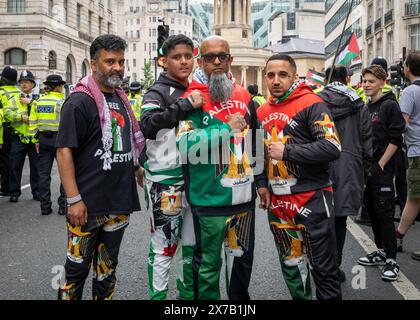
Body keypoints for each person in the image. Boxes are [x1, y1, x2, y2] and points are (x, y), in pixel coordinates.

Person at [56, 34, 145, 300]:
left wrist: (135, 167)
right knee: (75, 272)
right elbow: (63, 151)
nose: (117, 67)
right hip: (87, 206)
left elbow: (124, 142)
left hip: (118, 203)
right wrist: (73, 200)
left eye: (121, 61)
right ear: (93, 64)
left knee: (106, 271)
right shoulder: (79, 101)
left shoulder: (122, 99)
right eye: (110, 61)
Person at [177, 35, 266, 300]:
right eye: (209, 57)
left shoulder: (244, 95)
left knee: (241, 268)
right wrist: (226, 129)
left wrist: (261, 183)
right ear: (200, 62)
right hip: (208, 200)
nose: (216, 62)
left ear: (230, 60)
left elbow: (255, 142)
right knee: (208, 269)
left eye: (222, 57)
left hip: (243, 201)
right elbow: (185, 146)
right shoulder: (191, 98)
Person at [257, 54, 342, 300]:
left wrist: (288, 151)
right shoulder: (262, 110)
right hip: (278, 203)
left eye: (283, 75)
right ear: (265, 77)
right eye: (271, 75)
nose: (276, 80)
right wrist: (261, 183)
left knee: (324, 271)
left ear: (295, 76)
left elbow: (332, 147)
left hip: (312, 199)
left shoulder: (311, 103)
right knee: (292, 267)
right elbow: (258, 154)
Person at [140, 34, 203, 300]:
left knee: (189, 248)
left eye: (188, 56)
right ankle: (159, 299)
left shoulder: (196, 87)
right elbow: (148, 126)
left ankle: (186, 299)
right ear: (163, 61)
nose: (184, 61)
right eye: (177, 57)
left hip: (195, 181)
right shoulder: (157, 91)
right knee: (165, 247)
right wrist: (185, 105)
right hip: (166, 183)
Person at [318, 65, 372, 283]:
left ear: (326, 80)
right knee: (339, 219)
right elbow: (367, 139)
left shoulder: (315, 101)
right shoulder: (358, 104)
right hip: (348, 165)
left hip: (319, 164)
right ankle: (335, 266)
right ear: (347, 79)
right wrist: (364, 169)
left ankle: (320, 264)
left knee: (318, 218)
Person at [357, 65, 405, 281]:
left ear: (382, 82)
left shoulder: (389, 105)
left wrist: (382, 164)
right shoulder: (368, 106)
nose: (366, 85)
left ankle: (392, 260)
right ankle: (381, 251)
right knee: (372, 211)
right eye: (364, 81)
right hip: (367, 169)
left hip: (382, 170)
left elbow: (396, 138)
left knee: (385, 213)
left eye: (371, 81)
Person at [29, 75, 67, 215]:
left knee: (43, 175)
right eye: (61, 86)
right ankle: (63, 205)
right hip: (60, 140)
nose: (62, 88)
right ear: (57, 87)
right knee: (65, 172)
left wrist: (36, 141)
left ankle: (45, 207)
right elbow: (67, 124)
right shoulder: (62, 102)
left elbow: (33, 123)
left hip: (43, 140)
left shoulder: (37, 102)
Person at [395, 51, 420, 260]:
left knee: (413, 199)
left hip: (417, 151)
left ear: (408, 68)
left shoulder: (410, 92)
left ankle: (397, 237)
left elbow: (400, 124)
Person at [4, 70, 39, 203]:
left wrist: (30, 102)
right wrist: (20, 117)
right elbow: (6, 113)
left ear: (32, 84)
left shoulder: (38, 99)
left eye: (27, 82)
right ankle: (14, 192)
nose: (24, 84)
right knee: (15, 166)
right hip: (18, 137)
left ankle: (36, 192)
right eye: (22, 82)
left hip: (34, 139)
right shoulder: (13, 99)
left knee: (36, 167)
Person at [0, 66, 20, 197]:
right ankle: (8, 187)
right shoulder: (18, 92)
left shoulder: (1, 92)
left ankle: (5, 187)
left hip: (3, 129)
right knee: (9, 160)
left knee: (2, 160)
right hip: (15, 129)